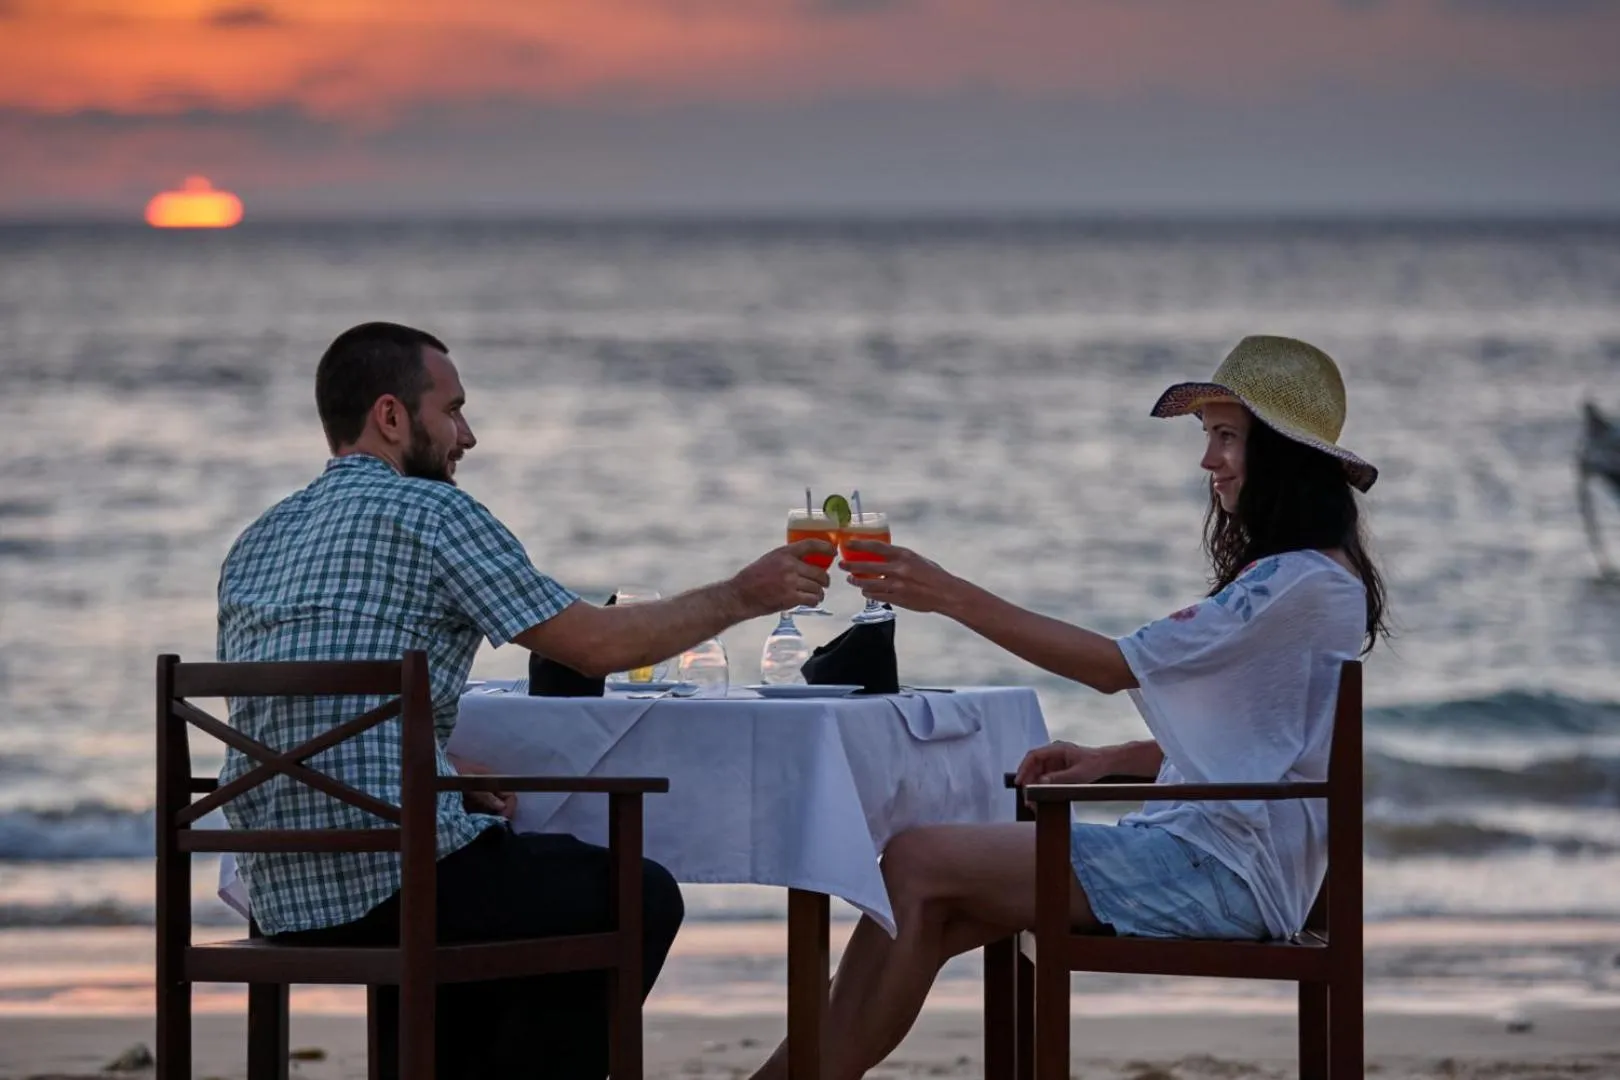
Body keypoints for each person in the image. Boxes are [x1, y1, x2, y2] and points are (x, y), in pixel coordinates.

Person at [749, 335, 1388, 1080]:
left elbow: (1111, 666)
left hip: (1223, 873)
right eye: (1208, 437)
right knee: (926, 901)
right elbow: (1272, 740)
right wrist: (1111, 760)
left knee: (915, 861)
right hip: (1211, 852)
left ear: (1281, 454)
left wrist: (949, 595)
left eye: (1225, 437)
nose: (1208, 461)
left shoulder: (1297, 584)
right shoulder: (1304, 578)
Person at [216, 321, 834, 1079]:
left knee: (513, 889)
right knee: (636, 894)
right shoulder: (435, 516)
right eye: (453, 410)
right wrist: (743, 594)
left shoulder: (258, 538)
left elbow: (300, 704)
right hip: (394, 882)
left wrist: (433, 762)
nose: (467, 435)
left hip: (279, 894)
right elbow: (593, 645)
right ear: (390, 416)